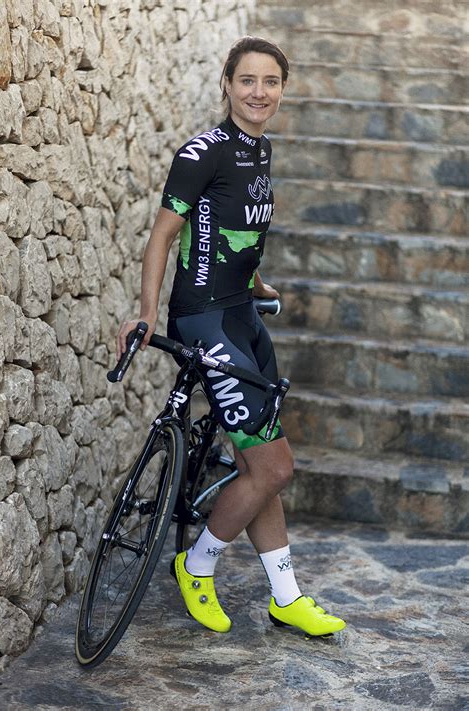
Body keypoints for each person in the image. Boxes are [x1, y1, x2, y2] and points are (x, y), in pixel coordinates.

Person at [117, 36, 346, 637]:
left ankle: (286, 595)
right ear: (227, 83)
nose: (259, 92)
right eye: (248, 80)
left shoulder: (261, 150)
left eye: (270, 82)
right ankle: (197, 565)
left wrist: (258, 281)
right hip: (204, 319)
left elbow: (232, 229)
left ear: (282, 90)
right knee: (273, 468)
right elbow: (165, 236)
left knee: (255, 465)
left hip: (242, 313)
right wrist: (145, 311)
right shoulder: (203, 152)